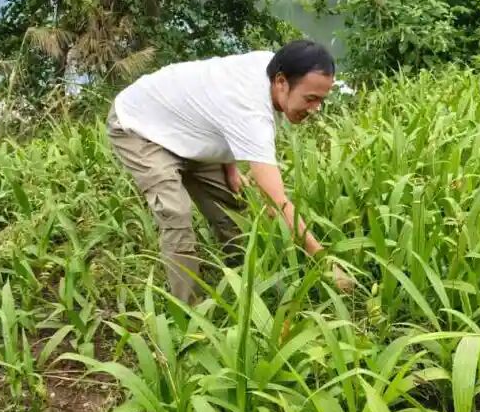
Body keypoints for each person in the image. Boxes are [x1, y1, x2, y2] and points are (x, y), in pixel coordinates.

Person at [107, 40, 353, 303]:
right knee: (176, 215)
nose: (316, 109)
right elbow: (276, 204)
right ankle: (189, 314)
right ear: (281, 82)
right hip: (140, 126)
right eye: (310, 99)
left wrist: (231, 167)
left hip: (189, 128)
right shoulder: (251, 112)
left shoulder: (272, 65)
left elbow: (218, 106)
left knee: (231, 209)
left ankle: (243, 285)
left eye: (321, 100)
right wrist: (325, 263)